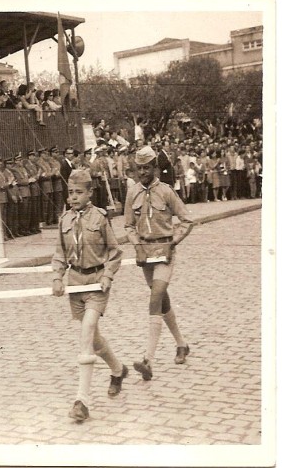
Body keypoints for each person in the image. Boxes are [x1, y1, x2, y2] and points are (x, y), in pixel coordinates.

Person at [51, 170, 126, 422]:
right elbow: (60, 254)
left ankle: (82, 401)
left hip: (96, 283)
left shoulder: (100, 218)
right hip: (75, 284)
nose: (73, 197)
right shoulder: (64, 220)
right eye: (70, 192)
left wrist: (108, 276)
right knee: (93, 338)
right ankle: (118, 370)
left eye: (79, 192)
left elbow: (115, 252)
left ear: (90, 193)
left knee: (86, 334)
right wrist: (57, 277)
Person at [124, 146, 193, 382]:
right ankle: (181, 344)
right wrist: (137, 246)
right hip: (145, 255)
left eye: (147, 168)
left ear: (155, 168)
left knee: (155, 299)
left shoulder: (166, 191)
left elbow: (187, 220)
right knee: (162, 301)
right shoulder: (132, 193)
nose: (143, 172)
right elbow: (128, 225)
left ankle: (148, 360)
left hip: (164, 253)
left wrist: (173, 242)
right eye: (139, 168)